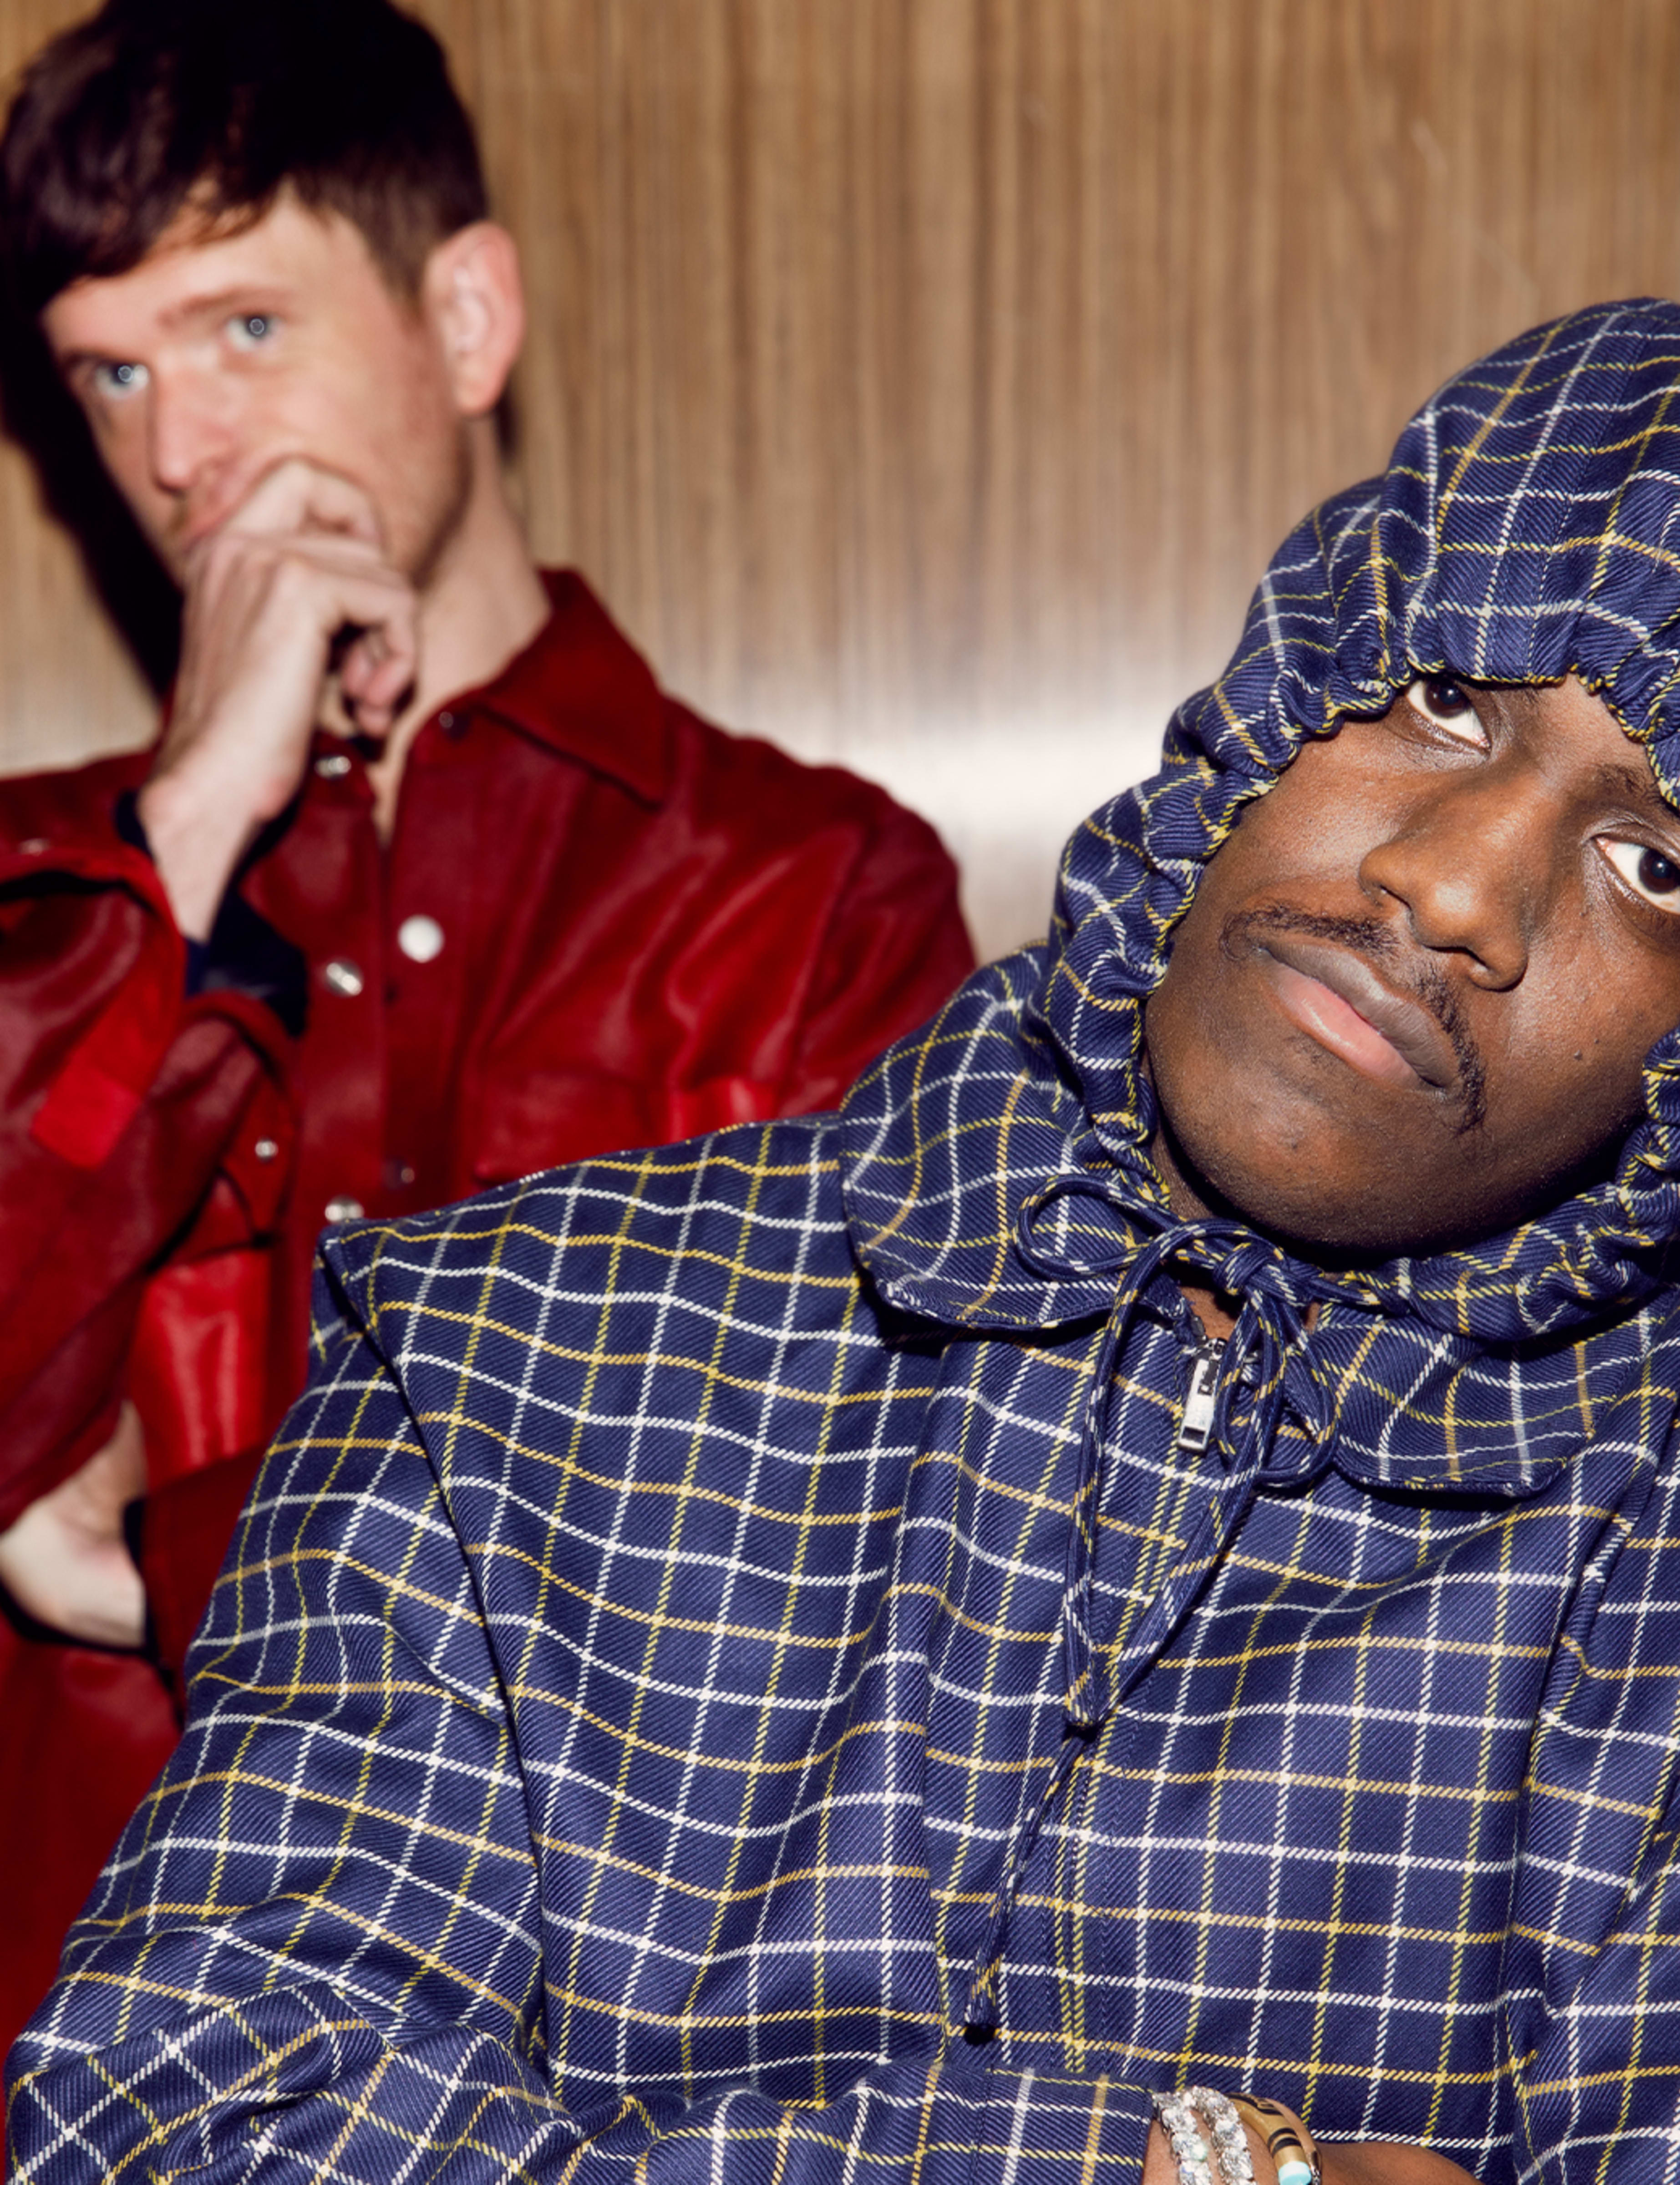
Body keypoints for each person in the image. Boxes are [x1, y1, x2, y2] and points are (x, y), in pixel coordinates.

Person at [14, 295, 1680, 2185]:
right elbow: (172, 2130)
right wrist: (1165, 2176)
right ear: (1288, 676)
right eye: (1441, 697)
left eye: (1655, 868)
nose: (1454, 883)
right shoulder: (501, 1345)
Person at [0, 0, 974, 2060]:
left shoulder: (805, 892)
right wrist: (183, 831)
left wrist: (161, 1568)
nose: (178, 455)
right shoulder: (37, 905)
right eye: (113, 370)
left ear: (467, 320)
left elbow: (847, 1559)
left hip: (622, 2091)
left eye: (245, 331)